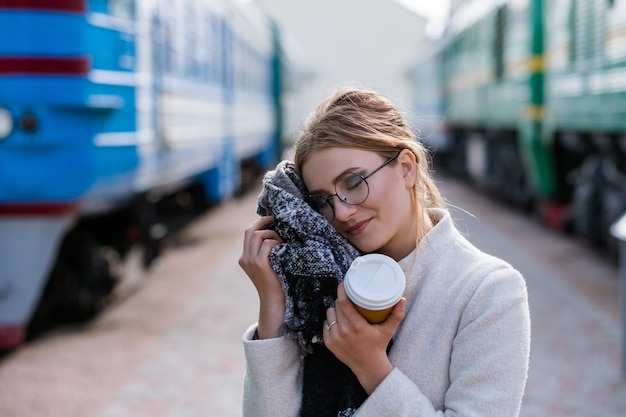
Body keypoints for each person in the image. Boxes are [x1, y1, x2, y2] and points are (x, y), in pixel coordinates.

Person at [239, 87, 530, 417]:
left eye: (352, 182)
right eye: (323, 201)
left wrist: (371, 367)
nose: (342, 213)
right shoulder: (320, 285)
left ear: (406, 167)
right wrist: (273, 304)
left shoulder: (488, 290)